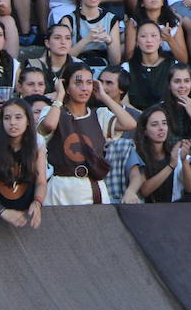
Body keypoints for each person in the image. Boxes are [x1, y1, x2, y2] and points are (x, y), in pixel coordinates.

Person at [38, 63, 136, 205]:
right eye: (78, 83)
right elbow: (49, 125)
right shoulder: (52, 111)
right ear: (66, 86)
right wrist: (59, 96)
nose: (84, 88)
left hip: (92, 186)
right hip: (60, 187)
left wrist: (104, 96)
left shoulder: (100, 115)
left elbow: (130, 124)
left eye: (89, 82)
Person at [0, 98, 46, 226]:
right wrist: (2, 211)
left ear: (28, 121)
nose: (12, 123)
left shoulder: (36, 144)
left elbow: (41, 182)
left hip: (22, 216)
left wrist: (37, 202)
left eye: (18, 118)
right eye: (7, 118)